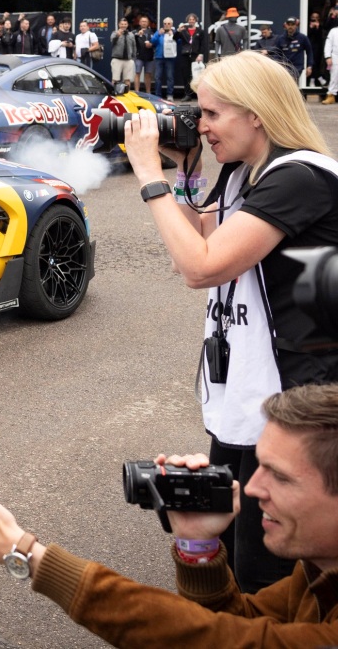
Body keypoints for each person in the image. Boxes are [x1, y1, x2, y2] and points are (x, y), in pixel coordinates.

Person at [124, 49, 338, 591]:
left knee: (267, 569)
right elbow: (197, 249)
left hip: (294, 398)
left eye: (212, 114)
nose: (202, 126)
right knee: (237, 548)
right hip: (248, 389)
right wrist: (185, 172)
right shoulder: (249, 174)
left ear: (257, 114)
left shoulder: (301, 177)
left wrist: (147, 173)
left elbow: (203, 267)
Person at [0, 383, 338, 647]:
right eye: (259, 465)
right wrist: (198, 545)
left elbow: (209, 642)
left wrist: (28, 554)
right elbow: (240, 625)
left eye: (281, 477)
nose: (253, 487)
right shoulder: (318, 568)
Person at [271, 17, 311, 86]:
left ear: (296, 25)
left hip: (297, 67)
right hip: (285, 66)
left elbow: (309, 52)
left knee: (292, 83)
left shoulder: (302, 38)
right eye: (288, 25)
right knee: (284, 85)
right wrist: (276, 65)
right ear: (285, 25)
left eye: (292, 25)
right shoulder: (280, 39)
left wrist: (309, 66)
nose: (290, 27)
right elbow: (277, 53)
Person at [176, 13, 207, 101]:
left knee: (197, 75)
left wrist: (200, 54)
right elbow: (174, 38)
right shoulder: (183, 30)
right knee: (186, 75)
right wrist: (178, 31)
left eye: (193, 19)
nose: (191, 21)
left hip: (195, 56)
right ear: (187, 21)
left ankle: (199, 94)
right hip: (185, 55)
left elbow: (203, 44)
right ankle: (188, 94)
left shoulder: (200, 31)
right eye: (190, 20)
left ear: (196, 21)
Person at [150, 17, 179, 99]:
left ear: (172, 24)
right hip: (159, 57)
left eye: (168, 23)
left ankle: (170, 94)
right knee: (157, 77)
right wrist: (158, 34)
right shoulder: (159, 32)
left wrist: (172, 35)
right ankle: (158, 95)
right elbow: (152, 41)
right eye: (165, 23)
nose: (166, 25)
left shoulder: (174, 32)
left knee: (170, 77)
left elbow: (179, 42)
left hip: (170, 58)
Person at [109, 18, 137, 90]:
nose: (123, 26)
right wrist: (117, 36)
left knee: (127, 80)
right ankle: (114, 93)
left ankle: (127, 93)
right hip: (117, 59)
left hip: (128, 60)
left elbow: (134, 47)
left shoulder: (131, 35)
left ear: (127, 25)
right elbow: (112, 42)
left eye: (125, 24)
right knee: (115, 79)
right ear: (119, 25)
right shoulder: (114, 33)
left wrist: (133, 59)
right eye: (122, 24)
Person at [134, 15, 155, 94]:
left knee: (148, 74)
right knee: (137, 73)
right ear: (139, 22)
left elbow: (155, 42)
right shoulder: (135, 31)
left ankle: (148, 92)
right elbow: (132, 39)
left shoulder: (152, 32)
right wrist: (137, 34)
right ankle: (137, 92)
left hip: (149, 56)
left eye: (145, 21)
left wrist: (151, 45)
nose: (144, 23)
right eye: (142, 21)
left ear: (148, 23)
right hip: (139, 56)